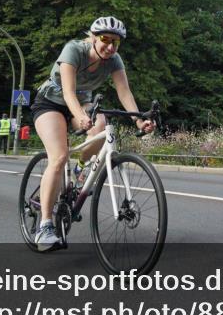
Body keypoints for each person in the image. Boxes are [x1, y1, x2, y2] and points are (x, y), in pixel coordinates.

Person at [29, 16, 155, 251]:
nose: (110, 46)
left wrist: (139, 120)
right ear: (94, 38)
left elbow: (125, 93)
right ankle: (45, 226)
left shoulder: (114, 60)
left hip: (84, 103)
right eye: (105, 40)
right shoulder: (74, 50)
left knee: (100, 123)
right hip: (51, 104)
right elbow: (67, 92)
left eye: (115, 42)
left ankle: (79, 169)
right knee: (58, 156)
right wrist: (80, 115)